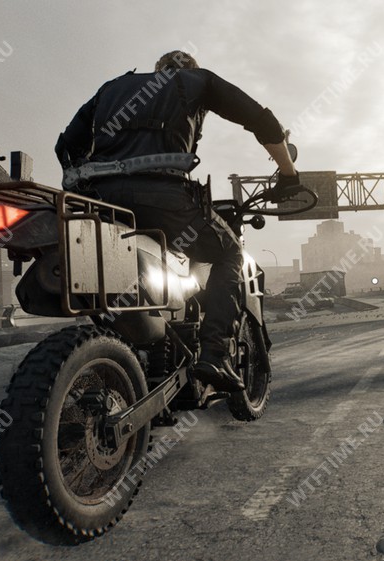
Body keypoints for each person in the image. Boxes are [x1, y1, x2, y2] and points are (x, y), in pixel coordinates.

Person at [54, 50, 298, 392]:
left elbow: (65, 146)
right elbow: (263, 121)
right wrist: (288, 173)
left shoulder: (112, 87)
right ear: (189, 70)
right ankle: (215, 354)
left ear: (158, 69)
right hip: (164, 198)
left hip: (101, 201)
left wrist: (90, 179)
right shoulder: (198, 82)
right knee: (230, 254)